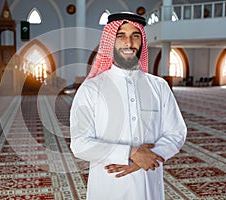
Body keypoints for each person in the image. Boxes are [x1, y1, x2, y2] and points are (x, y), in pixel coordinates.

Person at [70, 12, 187, 200]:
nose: (128, 43)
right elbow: (80, 144)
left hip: (148, 181)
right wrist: (130, 153)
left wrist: (147, 158)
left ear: (141, 42)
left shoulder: (159, 87)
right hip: (109, 187)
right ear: (110, 41)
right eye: (121, 35)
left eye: (135, 36)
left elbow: (177, 132)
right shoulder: (91, 89)